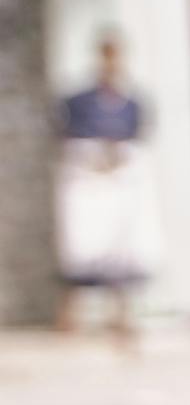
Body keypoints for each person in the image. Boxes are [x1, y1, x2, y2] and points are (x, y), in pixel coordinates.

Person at [56, 34, 151, 337]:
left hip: (119, 183)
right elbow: (66, 135)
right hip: (88, 182)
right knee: (84, 247)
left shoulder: (132, 103)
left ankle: (121, 314)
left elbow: (138, 138)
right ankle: (71, 315)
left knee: (121, 249)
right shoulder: (78, 102)